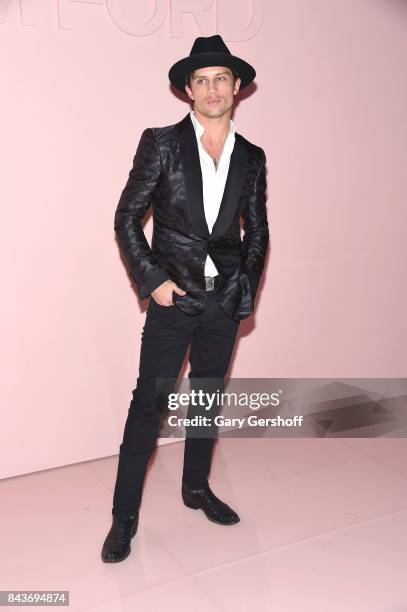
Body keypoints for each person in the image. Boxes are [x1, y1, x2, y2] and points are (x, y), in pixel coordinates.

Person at [101, 34, 269, 563]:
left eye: (222, 78)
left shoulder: (252, 156)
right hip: (174, 302)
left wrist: (246, 286)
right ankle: (123, 518)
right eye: (202, 80)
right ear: (187, 91)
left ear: (237, 87)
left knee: (206, 400)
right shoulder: (161, 143)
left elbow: (258, 230)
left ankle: (195, 488)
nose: (213, 88)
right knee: (147, 406)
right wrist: (153, 282)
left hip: (225, 301)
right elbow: (127, 216)